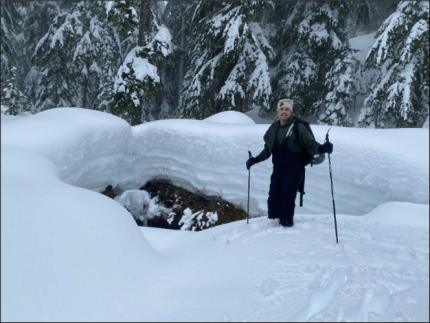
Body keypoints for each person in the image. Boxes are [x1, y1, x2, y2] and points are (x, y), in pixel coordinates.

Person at [246, 98, 333, 227]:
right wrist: (254, 160)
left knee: (287, 196)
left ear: (291, 112)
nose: (284, 112)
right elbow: (267, 150)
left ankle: (286, 226)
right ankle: (276, 224)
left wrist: (322, 148)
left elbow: (310, 144)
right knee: (274, 196)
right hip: (278, 169)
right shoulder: (274, 128)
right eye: (281, 109)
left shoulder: (298, 127)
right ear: (278, 111)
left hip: (294, 169)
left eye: (287, 109)